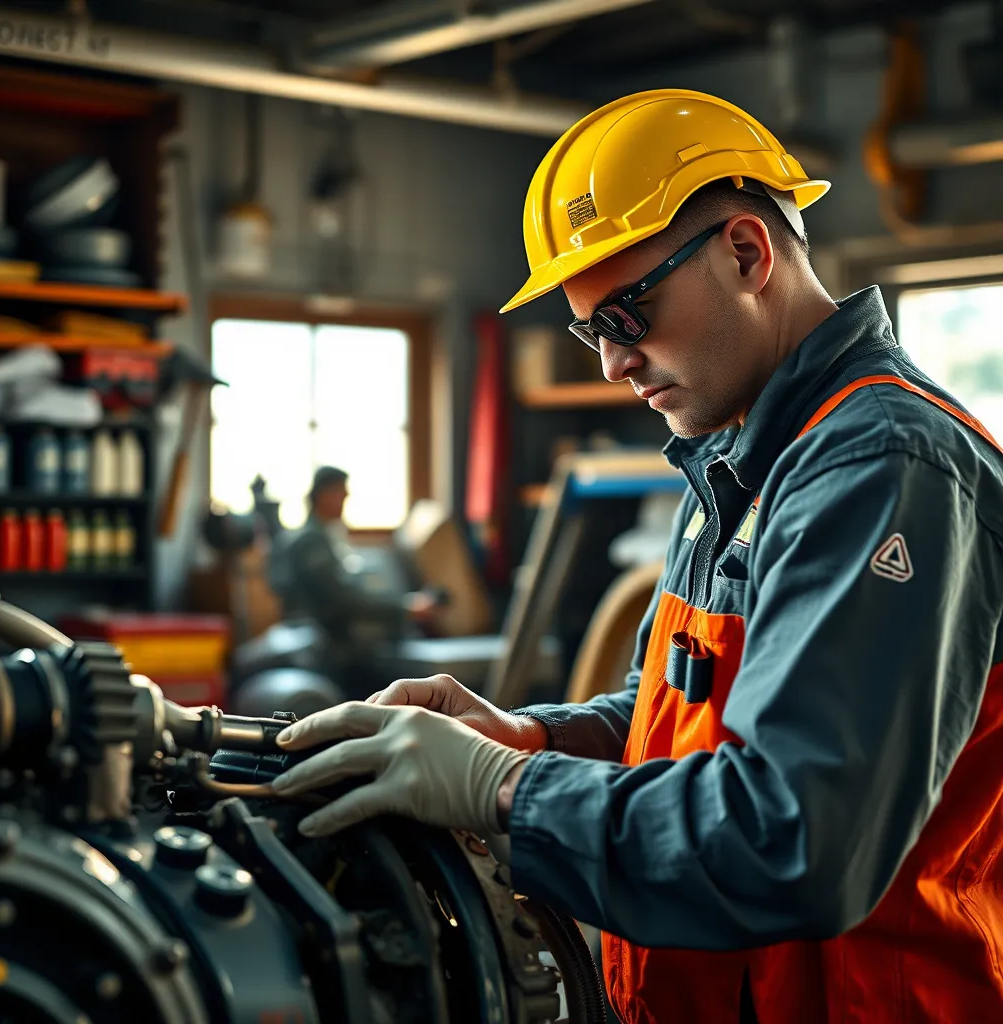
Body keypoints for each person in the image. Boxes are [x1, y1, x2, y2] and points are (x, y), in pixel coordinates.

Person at [269, 91, 1003, 1022]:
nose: (612, 365)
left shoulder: (879, 465)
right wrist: (526, 736)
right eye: (592, 331)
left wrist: (504, 790)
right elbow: (677, 711)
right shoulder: (747, 458)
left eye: (627, 316)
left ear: (747, 252)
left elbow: (799, 841)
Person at [268, 466, 436, 693]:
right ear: (324, 494)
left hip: (335, 636)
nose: (346, 497)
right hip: (329, 644)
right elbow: (343, 601)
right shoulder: (311, 541)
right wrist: (404, 608)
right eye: (341, 491)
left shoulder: (328, 536)